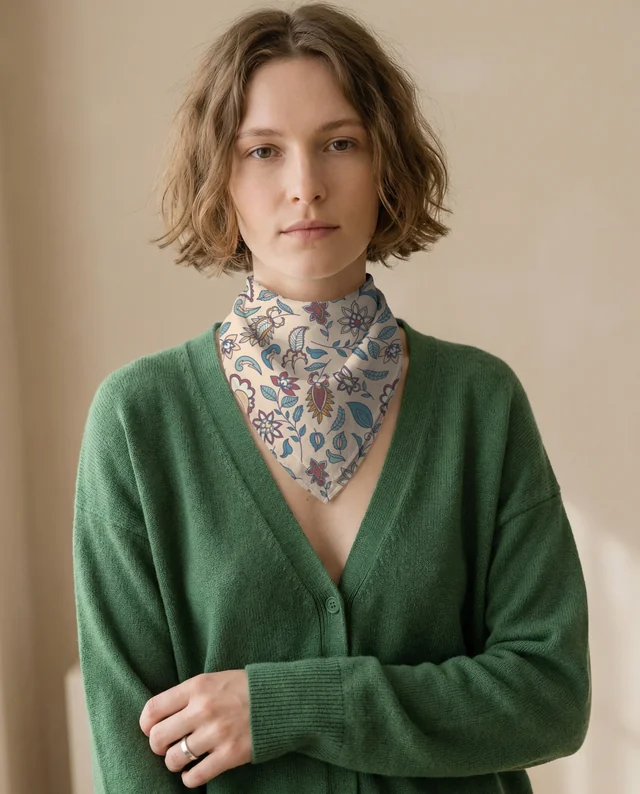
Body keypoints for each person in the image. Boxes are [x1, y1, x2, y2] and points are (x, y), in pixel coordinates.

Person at [72, 3, 591, 793]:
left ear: (387, 165)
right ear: (221, 178)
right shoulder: (139, 422)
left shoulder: (479, 404)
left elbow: (550, 700)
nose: (305, 186)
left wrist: (285, 704)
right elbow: (130, 754)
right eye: (262, 151)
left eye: (339, 143)